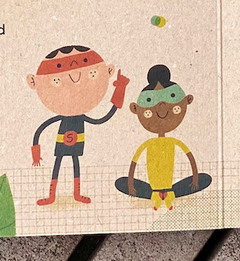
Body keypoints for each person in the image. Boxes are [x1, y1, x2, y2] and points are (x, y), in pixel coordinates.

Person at [27, 45, 130, 205]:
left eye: (92, 74)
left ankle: (77, 194)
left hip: (77, 141)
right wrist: (36, 151)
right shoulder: (65, 116)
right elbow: (41, 129)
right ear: (34, 82)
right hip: (62, 142)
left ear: (108, 72)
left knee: (75, 164)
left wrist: (120, 90)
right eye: (56, 81)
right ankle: (52, 196)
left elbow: (102, 119)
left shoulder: (80, 117)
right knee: (58, 164)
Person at [126, 65, 198, 211]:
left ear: (187, 100)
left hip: (169, 182)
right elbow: (134, 162)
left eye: (172, 97)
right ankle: (159, 194)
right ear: (135, 109)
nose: (161, 107)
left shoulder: (173, 142)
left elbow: (189, 156)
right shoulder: (149, 143)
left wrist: (196, 178)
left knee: (203, 179)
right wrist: (130, 184)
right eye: (149, 100)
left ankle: (165, 193)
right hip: (154, 184)